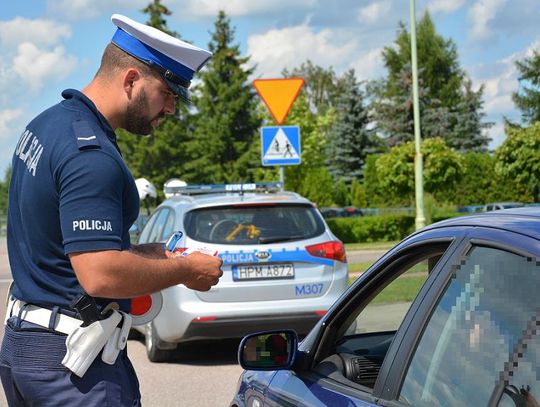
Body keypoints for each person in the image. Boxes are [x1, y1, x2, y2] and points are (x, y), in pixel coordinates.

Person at [0, 14, 223, 406]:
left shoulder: (47, 125)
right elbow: (100, 275)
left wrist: (145, 254)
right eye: (168, 92)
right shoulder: (91, 156)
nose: (171, 109)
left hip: (28, 348)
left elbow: (59, 247)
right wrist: (186, 270)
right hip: (72, 370)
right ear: (132, 79)